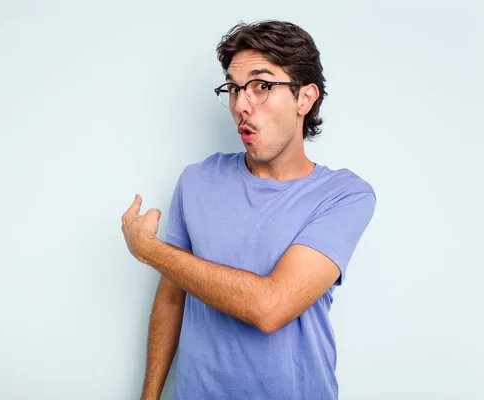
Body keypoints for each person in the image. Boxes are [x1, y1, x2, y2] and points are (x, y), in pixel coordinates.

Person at [121, 20, 376, 400]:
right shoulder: (197, 180)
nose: (241, 104)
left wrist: (150, 250)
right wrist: (149, 396)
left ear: (304, 99)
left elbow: (270, 307)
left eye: (261, 86)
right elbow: (173, 297)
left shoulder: (343, 195)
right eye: (234, 88)